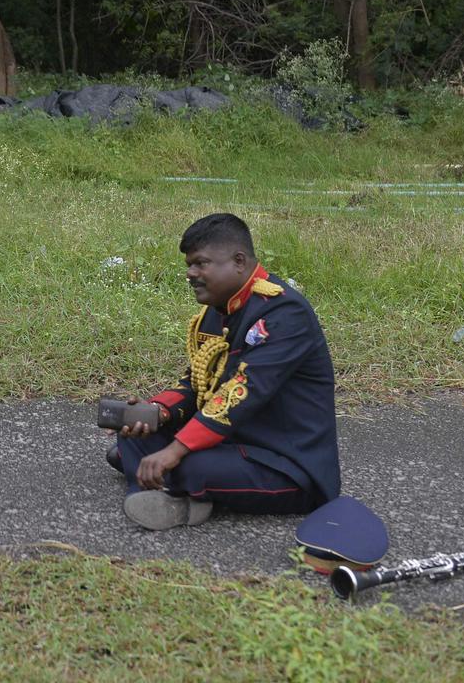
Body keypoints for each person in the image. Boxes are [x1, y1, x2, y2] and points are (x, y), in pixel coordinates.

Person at [110, 213, 340, 530]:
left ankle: (172, 491)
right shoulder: (218, 311)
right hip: (233, 445)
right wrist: (157, 411)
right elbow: (196, 383)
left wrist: (174, 451)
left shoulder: (284, 312)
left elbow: (240, 394)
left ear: (239, 261)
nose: (191, 273)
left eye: (201, 263)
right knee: (135, 438)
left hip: (285, 464)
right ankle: (168, 492)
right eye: (189, 265)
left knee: (189, 463)